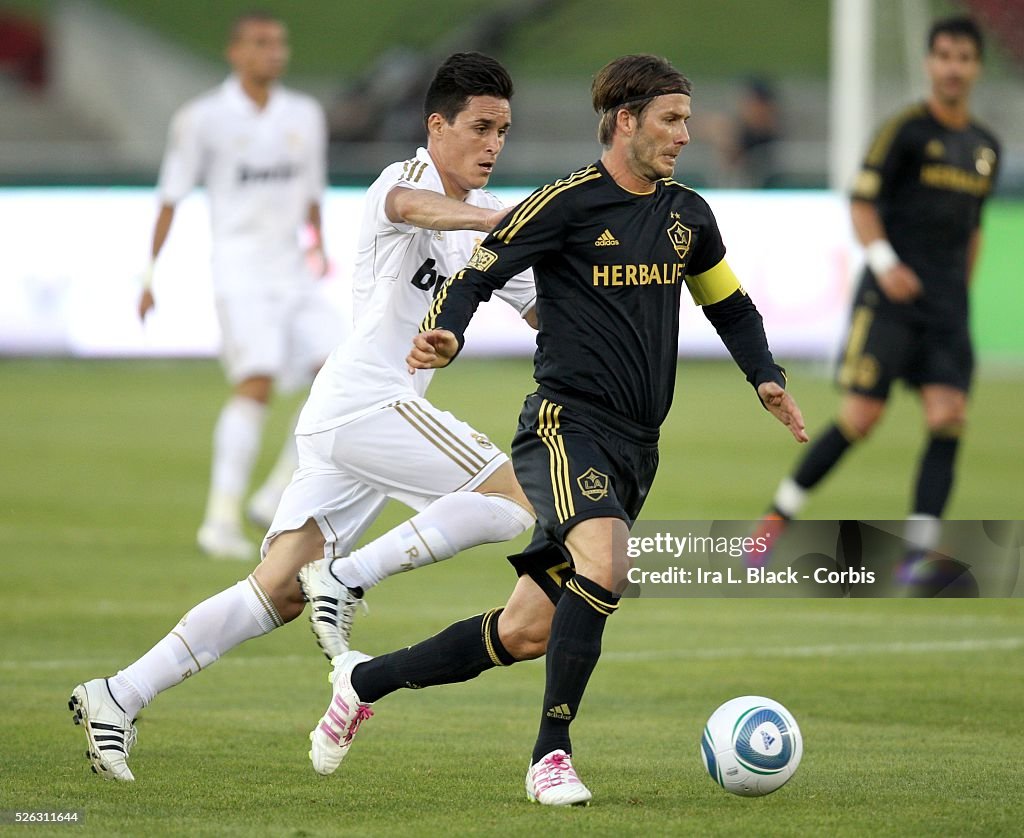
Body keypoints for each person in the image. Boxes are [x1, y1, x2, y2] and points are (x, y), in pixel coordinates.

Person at [305, 54, 808, 806]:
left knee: (526, 630)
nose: (684, 134)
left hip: (638, 446)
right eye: (671, 119)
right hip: (563, 425)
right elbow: (478, 271)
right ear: (626, 121)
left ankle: (363, 680)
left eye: (686, 120)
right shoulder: (564, 203)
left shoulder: (688, 216)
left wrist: (763, 375)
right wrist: (447, 333)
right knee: (605, 565)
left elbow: (728, 304)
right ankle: (551, 756)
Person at [69, 51, 538, 782]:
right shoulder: (407, 181)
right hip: (366, 401)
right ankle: (348, 578)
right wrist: (505, 219)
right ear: (436, 125)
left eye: (503, 131)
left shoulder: (481, 233)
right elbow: (412, 210)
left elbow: (544, 309)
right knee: (514, 499)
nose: (492, 144)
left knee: (278, 590)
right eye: (480, 127)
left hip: (354, 420)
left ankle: (115, 696)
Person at [754, 16, 1000, 571]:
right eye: (944, 56)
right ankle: (776, 518)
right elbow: (863, 202)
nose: (953, 68)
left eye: (964, 58)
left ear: (976, 67)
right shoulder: (905, 132)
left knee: (948, 416)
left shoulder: (985, 147)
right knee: (861, 417)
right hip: (889, 303)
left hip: (945, 310)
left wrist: (961, 291)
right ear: (930, 63)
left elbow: (976, 228)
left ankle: (919, 547)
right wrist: (886, 263)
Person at [138, 11, 340, 559]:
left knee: (342, 376)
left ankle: (274, 492)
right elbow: (171, 196)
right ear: (235, 52)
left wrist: (319, 245)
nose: (273, 52)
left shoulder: (304, 113)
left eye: (279, 42)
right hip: (240, 272)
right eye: (260, 43)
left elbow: (312, 190)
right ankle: (219, 518)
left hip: (293, 272)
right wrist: (148, 276)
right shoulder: (202, 118)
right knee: (256, 383)